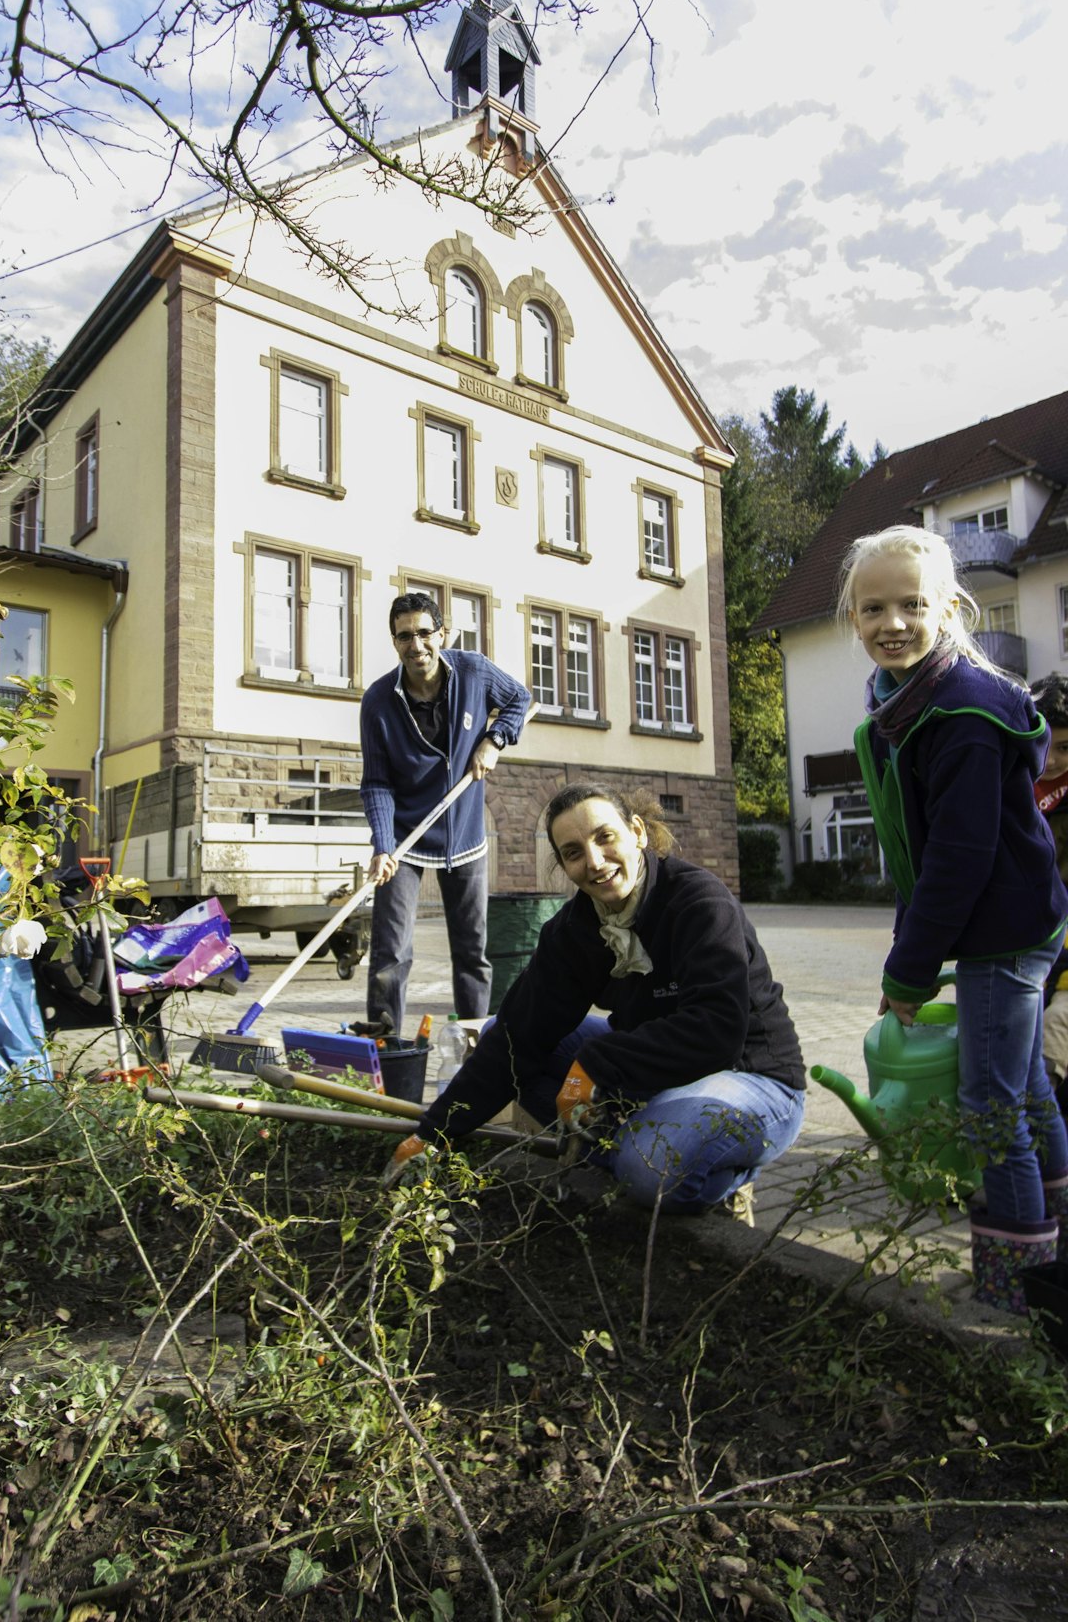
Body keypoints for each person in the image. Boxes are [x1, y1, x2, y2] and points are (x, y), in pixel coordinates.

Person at [384, 783, 806, 1214]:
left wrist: (598, 1064)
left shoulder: (698, 903)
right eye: (573, 852)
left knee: (650, 1169)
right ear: (565, 866)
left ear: (637, 832)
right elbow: (517, 1038)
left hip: (753, 1077)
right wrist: (433, 1134)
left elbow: (719, 1031)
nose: (595, 862)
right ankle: (625, 1145)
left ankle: (723, 1173)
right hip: (665, 1074)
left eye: (605, 837)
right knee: (501, 1037)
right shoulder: (575, 931)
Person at [841, 524, 1068, 1312]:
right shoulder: (904, 702)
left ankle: (1014, 1283)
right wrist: (911, 953)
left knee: (992, 1104)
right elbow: (916, 849)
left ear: (950, 608)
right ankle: (1056, 1241)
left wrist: (907, 969)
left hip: (1005, 932)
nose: (891, 623)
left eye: (912, 604)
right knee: (1027, 1086)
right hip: (1006, 922)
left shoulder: (962, 715)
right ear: (853, 616)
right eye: (873, 608)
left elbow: (959, 860)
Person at [359, 591, 530, 1037]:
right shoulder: (378, 702)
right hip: (405, 841)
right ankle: (384, 1048)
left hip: (466, 837)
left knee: (472, 952)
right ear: (394, 642)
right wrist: (382, 845)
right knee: (390, 954)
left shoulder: (472, 671)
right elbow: (376, 782)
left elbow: (520, 698)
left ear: (443, 634)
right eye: (404, 637)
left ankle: (474, 1043)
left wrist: (495, 740)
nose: (416, 646)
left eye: (423, 633)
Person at [1032, 673, 1068, 1114]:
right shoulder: (1012, 786)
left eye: (1065, 748)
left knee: (1054, 1042)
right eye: (1046, 746)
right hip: (1032, 941)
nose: (1054, 761)